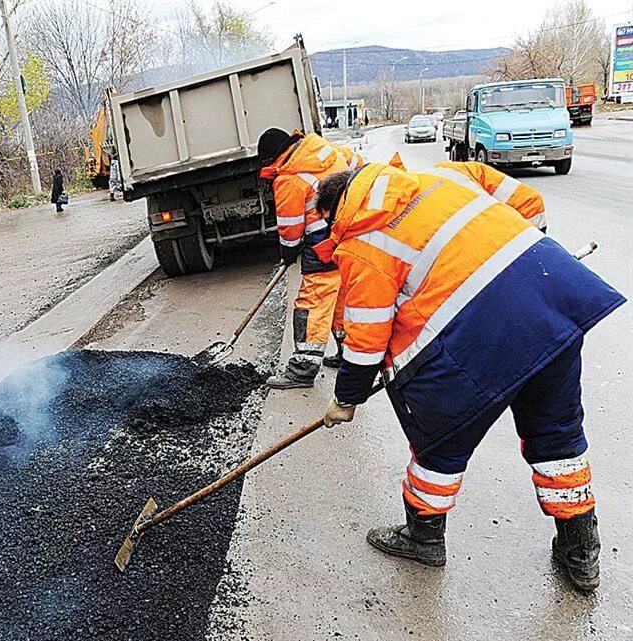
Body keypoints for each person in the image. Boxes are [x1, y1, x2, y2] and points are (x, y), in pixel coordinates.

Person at [313, 163, 624, 591]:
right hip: (553, 301)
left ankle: (424, 538)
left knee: (438, 440)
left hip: (482, 341)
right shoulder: (446, 176)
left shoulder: (364, 240)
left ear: (337, 210)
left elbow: (366, 339)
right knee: (556, 433)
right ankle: (581, 552)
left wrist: (345, 400)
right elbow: (527, 202)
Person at [256, 127, 361, 387]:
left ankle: (302, 369)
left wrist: (288, 255)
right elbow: (357, 163)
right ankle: (349, 355)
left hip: (324, 243)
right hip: (351, 234)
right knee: (341, 299)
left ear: (271, 159)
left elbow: (290, 231)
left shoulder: (289, 177)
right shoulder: (321, 150)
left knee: (313, 301)